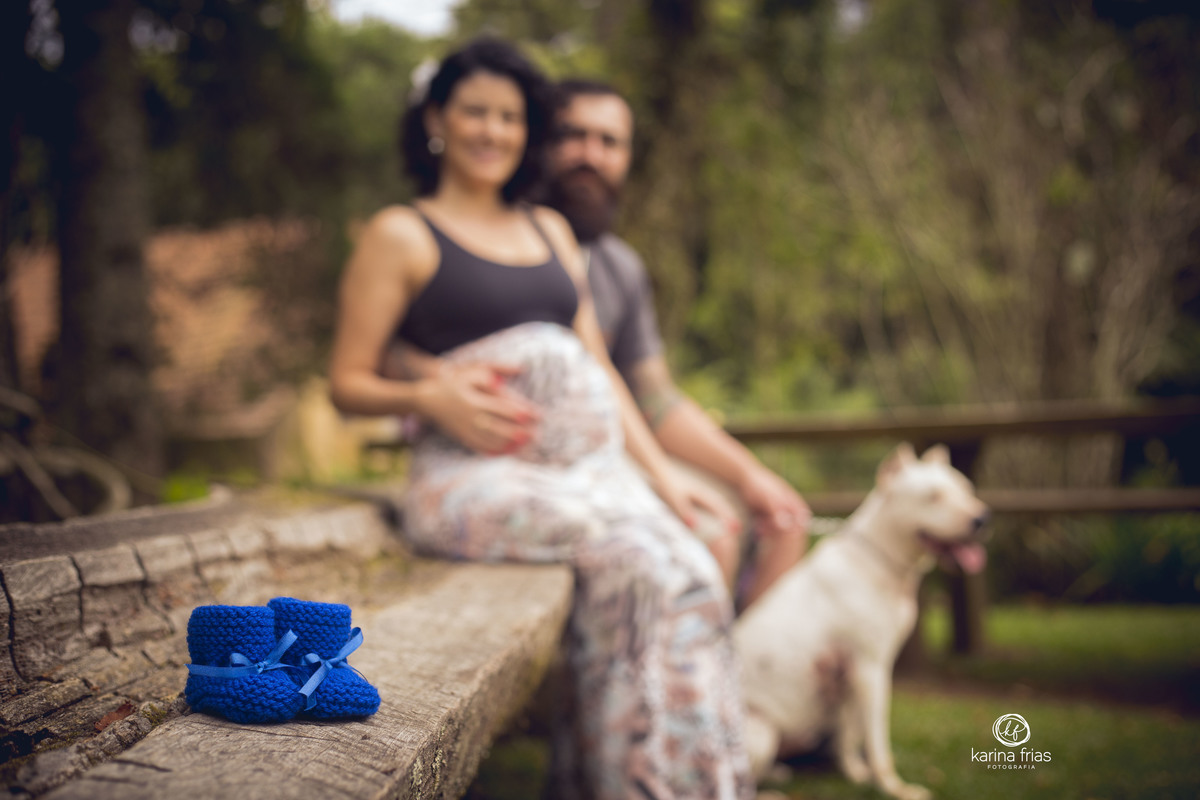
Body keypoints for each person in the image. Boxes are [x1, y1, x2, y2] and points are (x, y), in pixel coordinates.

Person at [328, 38, 752, 800]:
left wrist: (663, 481)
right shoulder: (401, 233)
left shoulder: (550, 230)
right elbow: (346, 383)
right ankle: (629, 782)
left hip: (588, 476)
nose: (494, 131)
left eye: (511, 117)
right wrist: (429, 397)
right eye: (476, 113)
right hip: (469, 480)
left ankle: (698, 779)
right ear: (436, 119)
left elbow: (601, 369)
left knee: (692, 568)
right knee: (638, 564)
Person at [387, 79, 811, 608]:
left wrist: (749, 476)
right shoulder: (460, 239)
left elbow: (653, 398)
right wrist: (434, 381)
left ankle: (732, 658)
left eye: (609, 142)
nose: (591, 154)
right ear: (538, 139)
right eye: (573, 135)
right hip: (499, 465)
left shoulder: (619, 267)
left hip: (607, 457)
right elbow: (388, 350)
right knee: (710, 536)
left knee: (782, 521)